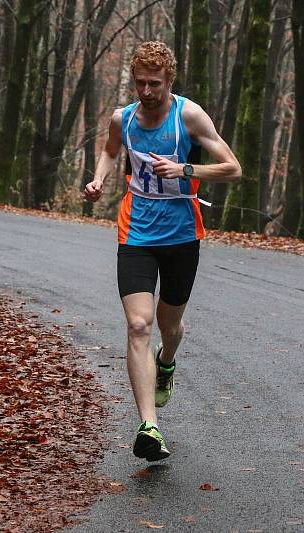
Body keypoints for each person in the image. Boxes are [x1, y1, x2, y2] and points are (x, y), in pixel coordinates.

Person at [84, 41, 241, 461]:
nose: (147, 91)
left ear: (169, 80)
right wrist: (99, 180)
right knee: (139, 324)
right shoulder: (124, 119)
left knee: (170, 325)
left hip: (182, 234)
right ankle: (149, 427)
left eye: (155, 83)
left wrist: (185, 169)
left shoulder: (187, 115)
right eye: (140, 83)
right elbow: (110, 151)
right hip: (135, 233)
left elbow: (232, 168)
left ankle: (166, 362)